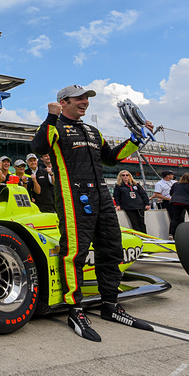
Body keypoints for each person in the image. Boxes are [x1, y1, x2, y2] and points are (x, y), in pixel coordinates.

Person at [31, 85, 153, 342]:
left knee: (111, 249)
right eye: (80, 98)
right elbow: (39, 146)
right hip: (72, 197)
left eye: (87, 98)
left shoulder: (92, 130)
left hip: (102, 197)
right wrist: (51, 117)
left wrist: (135, 140)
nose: (85, 102)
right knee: (75, 253)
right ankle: (75, 310)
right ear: (63, 102)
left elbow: (110, 159)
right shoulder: (55, 127)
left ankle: (110, 305)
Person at [168, 173, 189, 238]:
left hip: (176, 202)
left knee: (175, 219)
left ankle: (171, 233)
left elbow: (171, 193)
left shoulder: (176, 184)